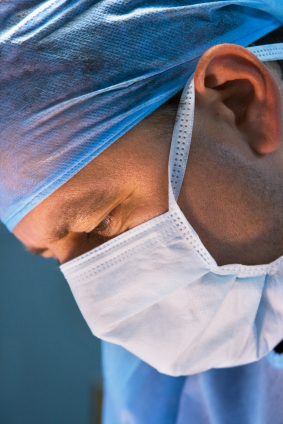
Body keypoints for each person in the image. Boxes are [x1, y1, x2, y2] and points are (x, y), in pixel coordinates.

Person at [1, 1, 283, 423]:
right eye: (55, 258)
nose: (102, 317)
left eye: (101, 224)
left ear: (239, 103)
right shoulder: (160, 388)